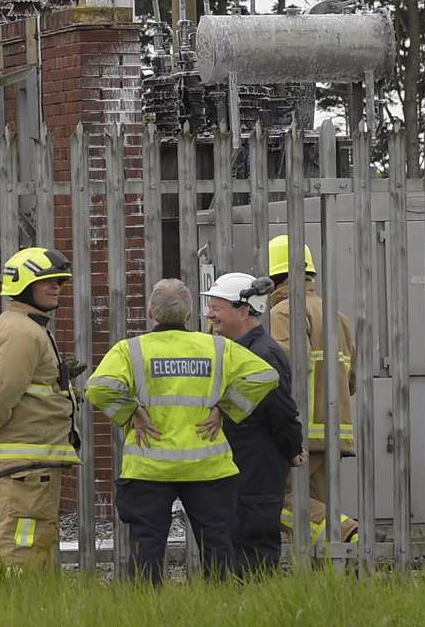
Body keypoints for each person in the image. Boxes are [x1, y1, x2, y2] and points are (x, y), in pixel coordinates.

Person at [86, 278, 280, 584]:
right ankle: (218, 605)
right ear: (190, 315)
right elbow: (265, 375)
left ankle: (146, 609)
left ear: (151, 313)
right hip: (208, 466)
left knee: (146, 545)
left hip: (148, 466)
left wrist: (131, 411)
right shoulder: (217, 347)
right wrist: (226, 407)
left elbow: (98, 387)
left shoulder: (130, 350)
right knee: (216, 544)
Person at [0, 247, 80, 570]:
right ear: (23, 285)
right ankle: (16, 606)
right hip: (27, 464)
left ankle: (19, 604)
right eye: (48, 281)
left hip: (31, 463)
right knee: (23, 549)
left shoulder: (25, 327)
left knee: (29, 541)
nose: (56, 287)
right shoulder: (22, 332)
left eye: (59, 282)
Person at [203, 271, 305, 577]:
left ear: (244, 310)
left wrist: (292, 449)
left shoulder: (264, 354)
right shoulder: (237, 349)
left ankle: (257, 605)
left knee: (253, 548)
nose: (210, 314)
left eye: (217, 308)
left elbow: (282, 412)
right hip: (237, 466)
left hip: (257, 468)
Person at [267, 235, 360, 546]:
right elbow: (352, 381)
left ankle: (348, 533)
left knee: (276, 501)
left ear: (273, 277)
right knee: (314, 516)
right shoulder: (338, 316)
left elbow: (284, 372)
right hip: (335, 430)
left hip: (304, 432)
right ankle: (327, 581)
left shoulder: (283, 313)